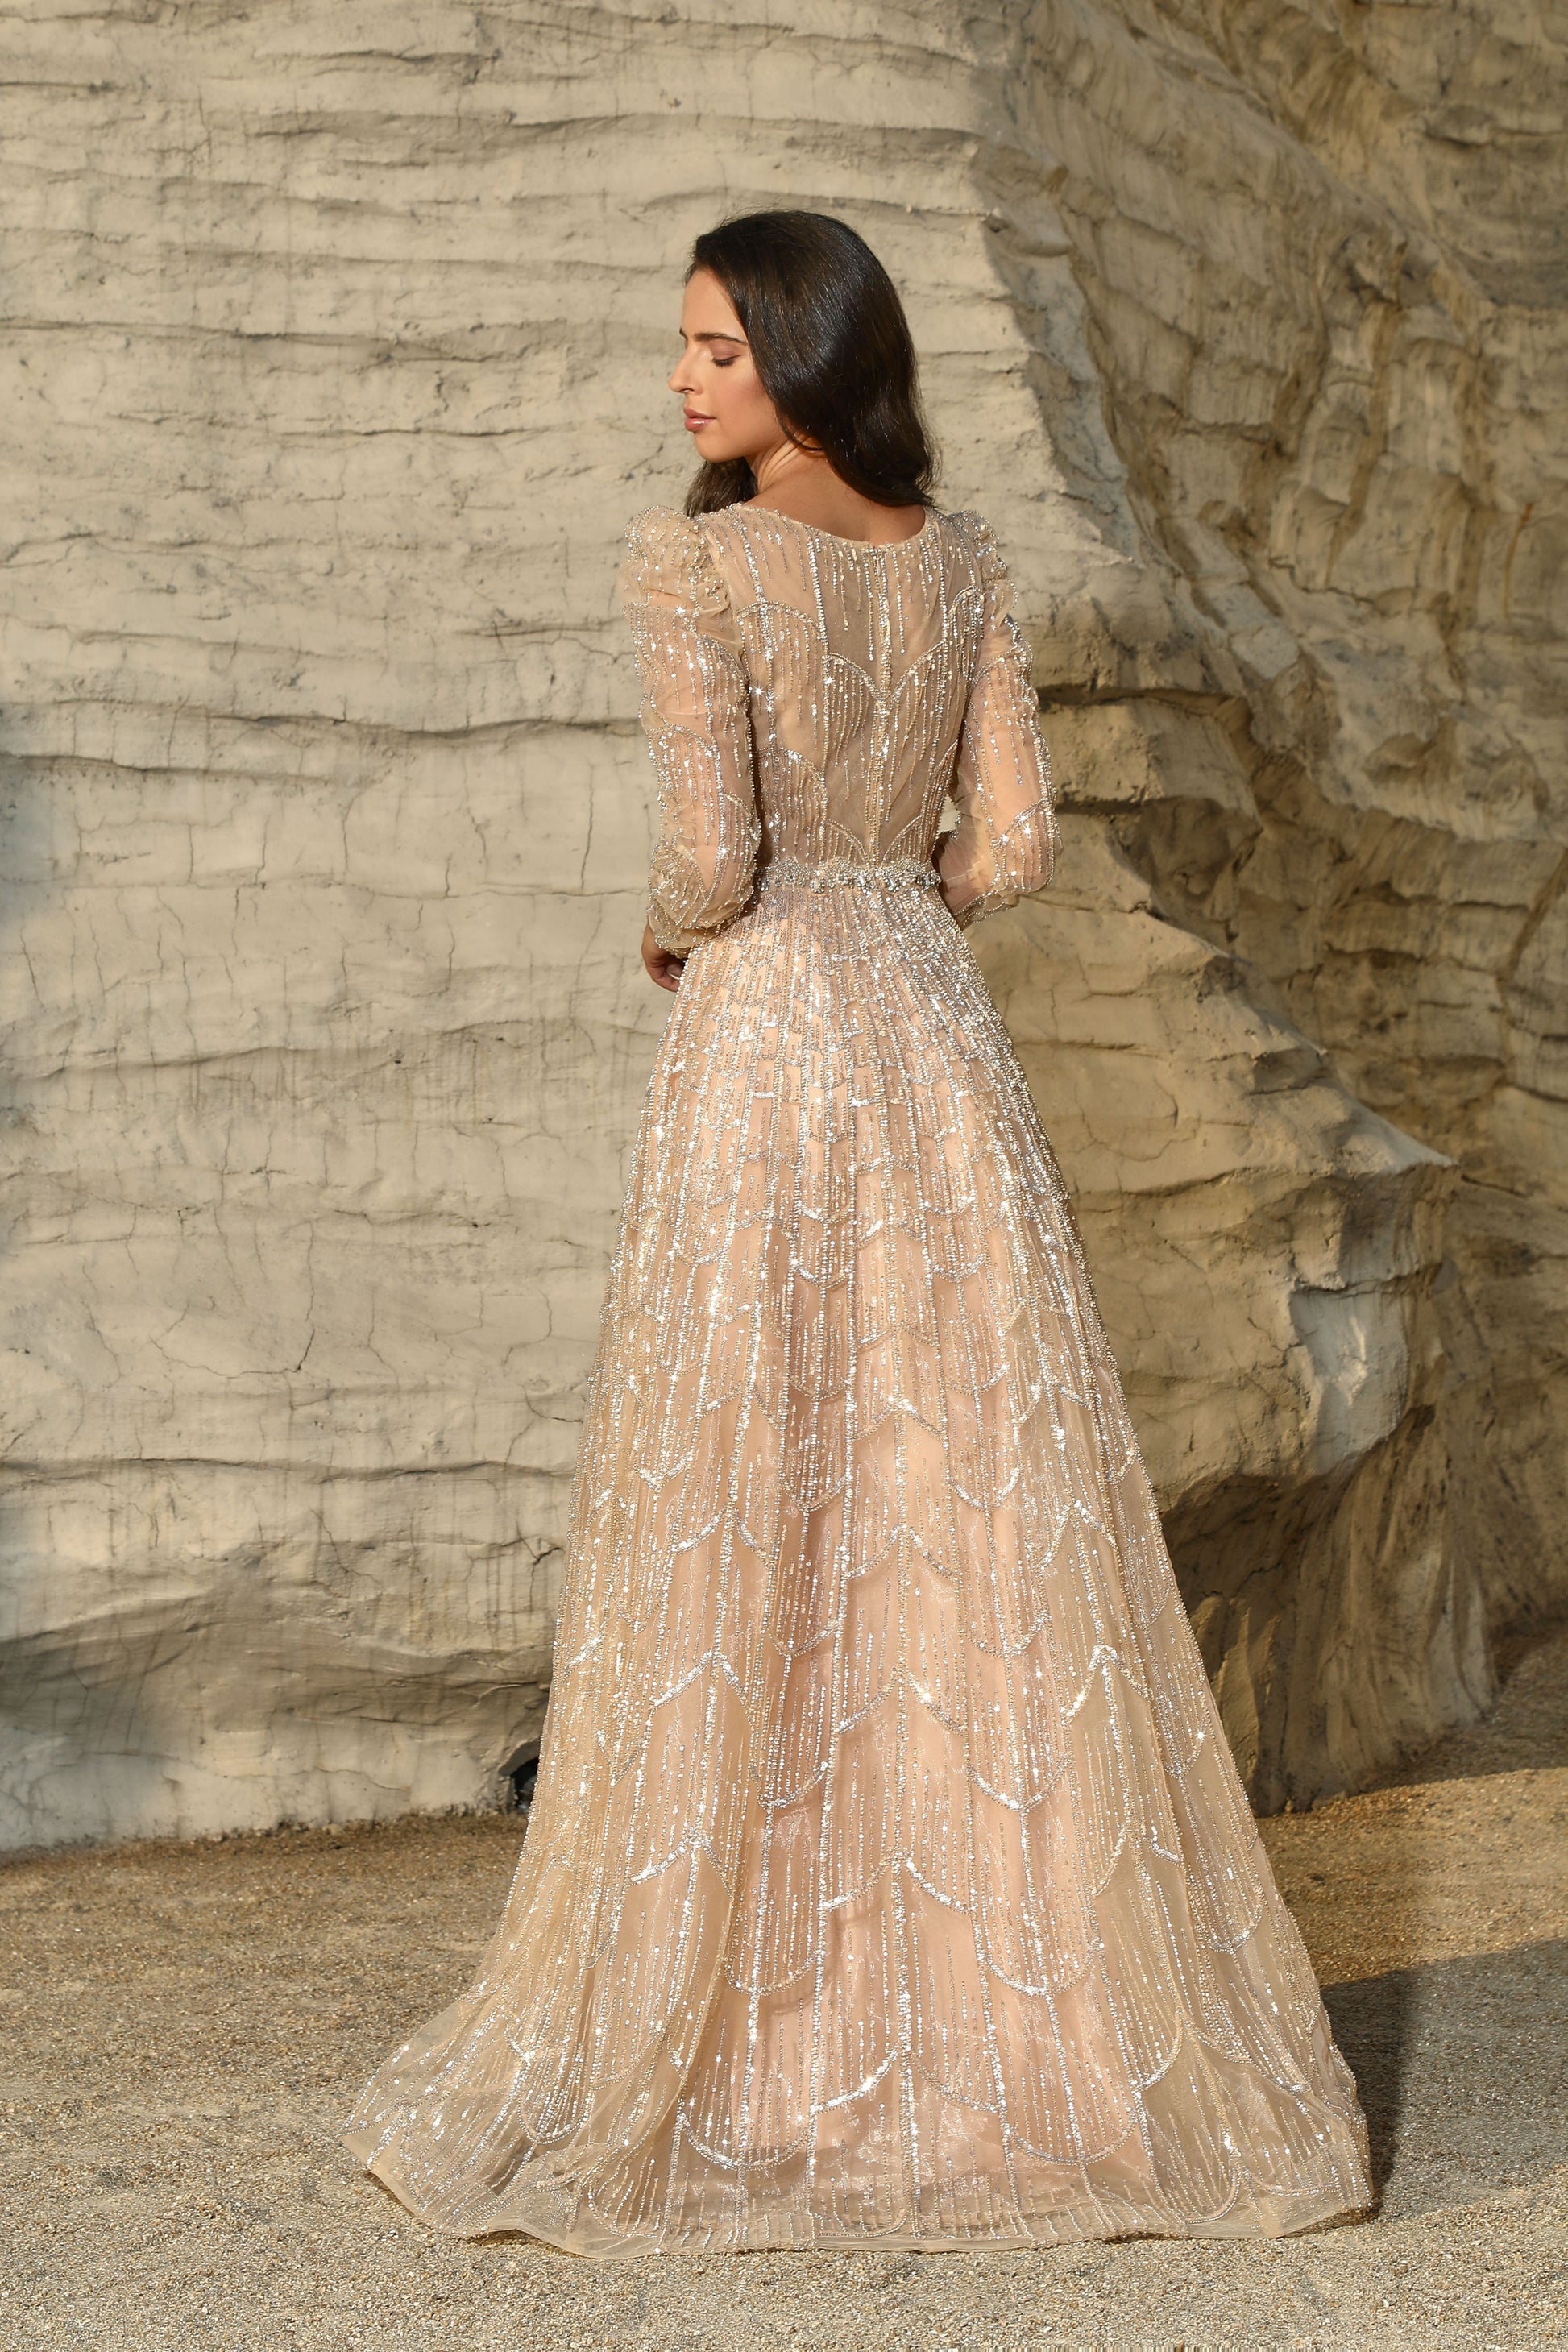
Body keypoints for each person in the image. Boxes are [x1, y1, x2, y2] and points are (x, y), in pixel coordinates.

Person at [343, 209, 1372, 2255]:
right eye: (689, 348)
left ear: (807, 357)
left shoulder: (697, 565)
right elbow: (1017, 840)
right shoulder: (960, 557)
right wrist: (902, 908)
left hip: (769, 1048)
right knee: (961, 1486)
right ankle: (1031, 2008)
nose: (683, 381)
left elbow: (714, 851)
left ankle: (754, 2008)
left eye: (715, 348)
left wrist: (682, 923)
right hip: (925, 1035)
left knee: (751, 1480)